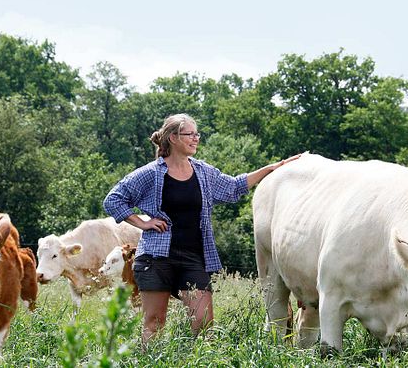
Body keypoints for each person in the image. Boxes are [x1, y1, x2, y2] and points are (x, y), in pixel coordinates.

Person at [103, 113, 299, 343]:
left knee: (203, 324)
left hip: (193, 258)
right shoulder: (151, 173)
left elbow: (234, 187)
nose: (196, 138)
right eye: (190, 134)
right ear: (173, 138)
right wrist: (143, 222)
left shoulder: (202, 172)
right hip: (156, 258)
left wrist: (271, 169)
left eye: (197, 134)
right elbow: (113, 200)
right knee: (154, 322)